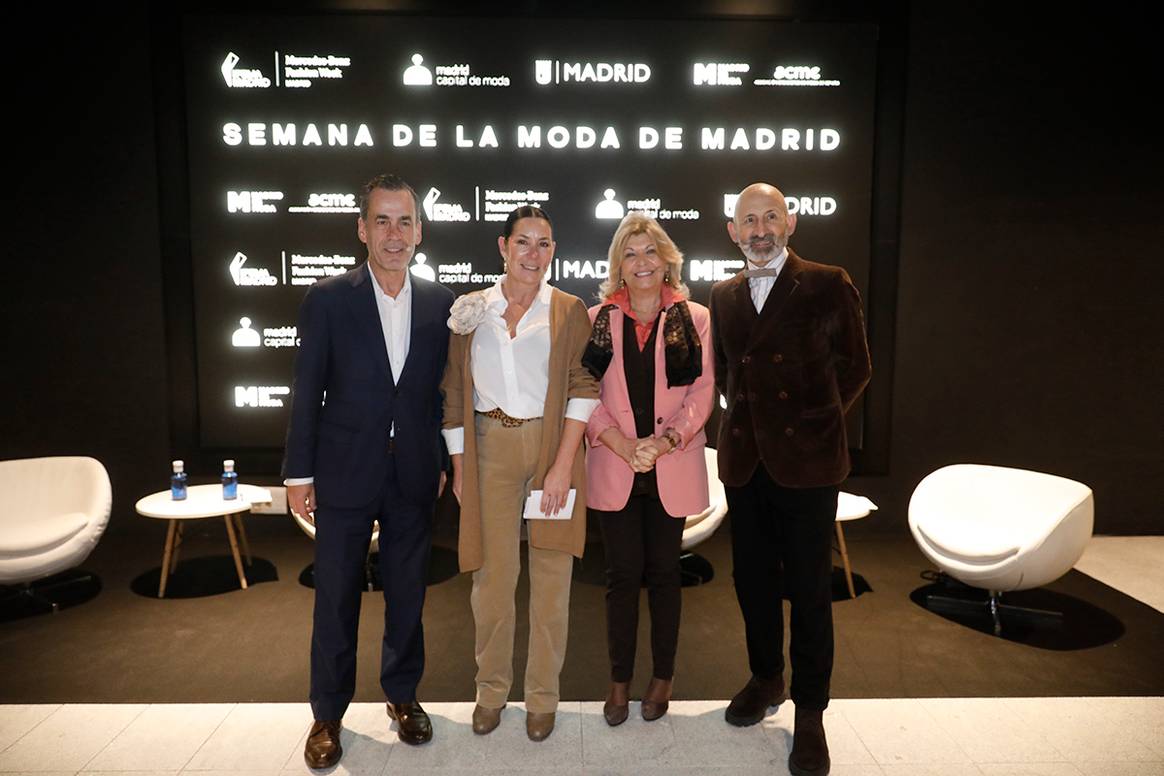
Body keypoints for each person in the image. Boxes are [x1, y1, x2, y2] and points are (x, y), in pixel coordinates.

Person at [282, 174, 454, 769]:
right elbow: (307, 394)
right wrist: (297, 474)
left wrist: (437, 456)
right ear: (361, 229)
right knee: (334, 597)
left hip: (411, 473)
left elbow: (436, 394)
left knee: (408, 592)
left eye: (404, 221)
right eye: (381, 221)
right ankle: (327, 713)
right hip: (343, 472)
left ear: (419, 232)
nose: (394, 233)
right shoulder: (328, 299)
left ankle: (403, 697)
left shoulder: (439, 303)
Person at [709, 182, 871, 776]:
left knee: (807, 589)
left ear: (791, 221)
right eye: (747, 220)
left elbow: (857, 367)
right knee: (751, 581)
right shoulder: (723, 293)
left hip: (808, 465)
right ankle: (766, 676)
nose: (759, 229)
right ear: (732, 231)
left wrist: (809, 423)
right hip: (745, 462)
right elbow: (726, 372)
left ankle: (811, 712)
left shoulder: (828, 281)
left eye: (769, 217)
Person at [441, 206, 599, 742]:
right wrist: (461, 465)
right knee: (492, 581)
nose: (534, 254)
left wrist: (561, 466)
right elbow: (456, 393)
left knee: (553, 578)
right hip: (490, 446)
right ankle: (490, 692)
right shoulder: (470, 311)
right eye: (524, 242)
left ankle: (542, 699)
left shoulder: (569, 309)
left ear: (554, 250)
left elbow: (583, 385)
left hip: (553, 444)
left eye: (545, 244)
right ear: (503, 246)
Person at [583, 213, 714, 726]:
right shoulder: (598, 318)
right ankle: (618, 682)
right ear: (618, 265)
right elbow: (584, 393)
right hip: (617, 465)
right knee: (620, 578)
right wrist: (621, 443)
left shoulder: (695, 316)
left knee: (663, 576)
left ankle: (663, 678)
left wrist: (663, 443)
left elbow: (702, 393)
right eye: (631, 253)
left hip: (670, 463)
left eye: (650, 252)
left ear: (667, 260)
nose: (641, 262)